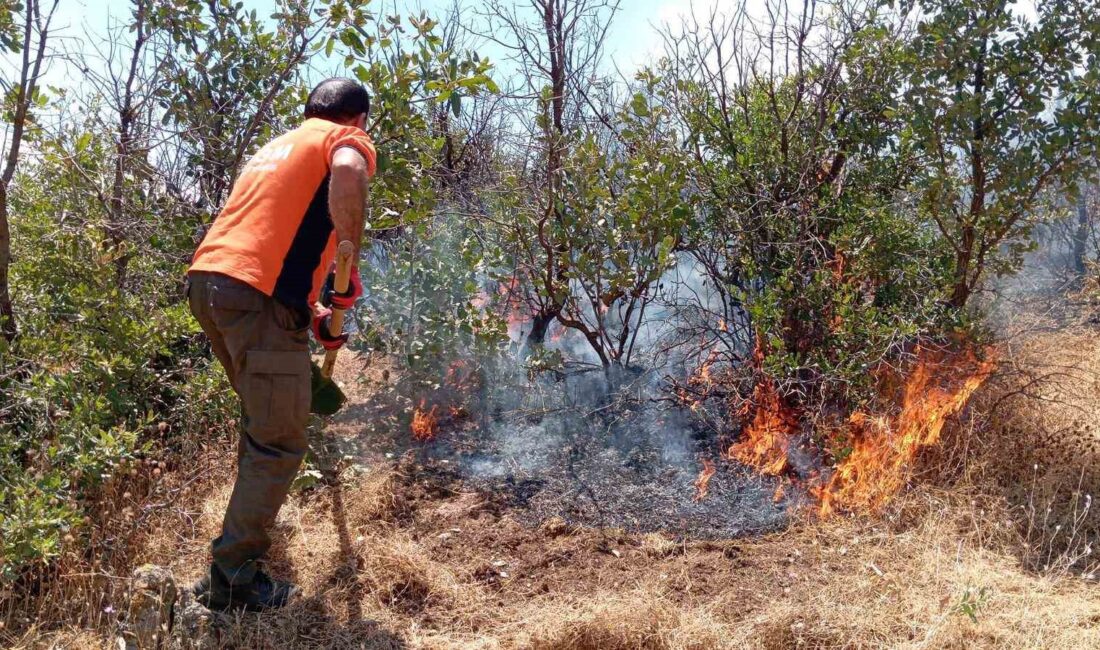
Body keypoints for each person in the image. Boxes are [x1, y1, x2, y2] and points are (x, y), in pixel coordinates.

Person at [184, 78, 376, 611]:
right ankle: (232, 581)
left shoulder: (277, 147)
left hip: (212, 285)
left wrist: (314, 310)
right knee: (278, 441)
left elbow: (272, 240)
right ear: (356, 118)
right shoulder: (344, 140)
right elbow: (350, 173)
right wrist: (348, 263)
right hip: (254, 297)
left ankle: (235, 552)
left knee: (265, 419)